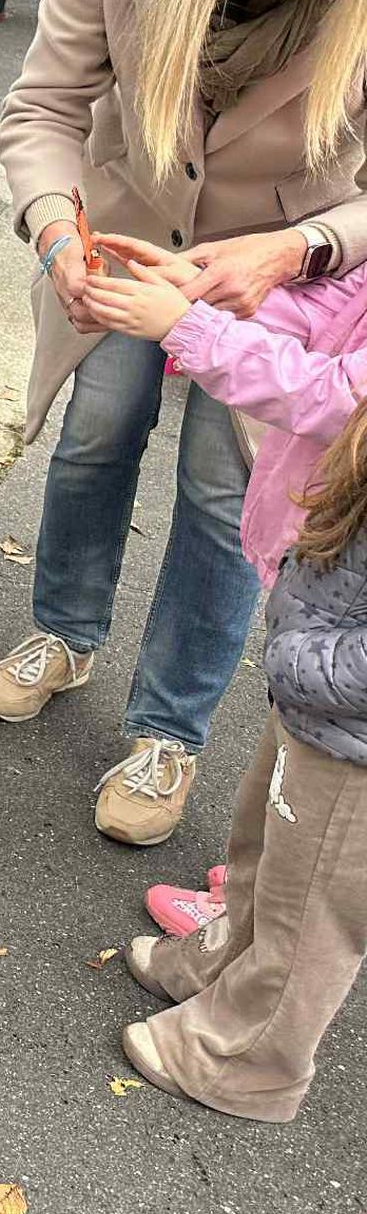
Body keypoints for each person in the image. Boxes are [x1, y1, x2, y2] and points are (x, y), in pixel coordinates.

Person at [0, 0, 367, 848]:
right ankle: (63, 629)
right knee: (95, 433)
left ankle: (171, 732)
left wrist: (300, 251)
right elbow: (44, 105)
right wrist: (57, 232)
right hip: (123, 241)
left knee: (223, 489)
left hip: (285, 284)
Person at [82, 229, 367, 942]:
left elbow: (342, 397)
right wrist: (202, 291)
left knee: (323, 767)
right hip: (325, 557)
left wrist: (190, 327)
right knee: (294, 744)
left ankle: (258, 924)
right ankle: (254, 885)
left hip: (347, 579)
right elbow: (326, 311)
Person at [115, 395, 367, 1124]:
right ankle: (229, 963)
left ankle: (254, 1058)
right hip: (322, 684)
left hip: (346, 705)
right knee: (271, 858)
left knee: (316, 905)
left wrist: (306, 661)